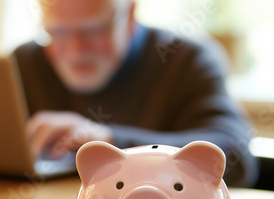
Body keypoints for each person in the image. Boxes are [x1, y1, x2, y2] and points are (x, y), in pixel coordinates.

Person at [14, 0, 258, 187]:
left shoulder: (187, 61)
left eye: (94, 30)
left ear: (129, 16)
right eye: (58, 32)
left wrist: (107, 141)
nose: (76, 51)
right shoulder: (22, 64)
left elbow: (236, 157)